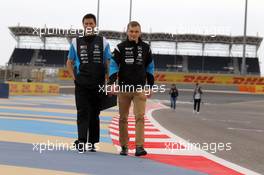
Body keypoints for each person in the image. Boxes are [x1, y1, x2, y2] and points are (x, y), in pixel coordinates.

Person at [66, 13, 112, 153]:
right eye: (86, 23)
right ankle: (81, 141)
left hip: (98, 83)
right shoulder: (75, 42)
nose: (89, 26)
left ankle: (92, 143)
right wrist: (74, 78)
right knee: (82, 112)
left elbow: (108, 62)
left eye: (91, 23)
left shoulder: (103, 41)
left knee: (94, 113)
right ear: (83, 25)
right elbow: (69, 62)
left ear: (95, 25)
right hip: (81, 84)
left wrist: (108, 80)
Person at [108, 21, 154, 156]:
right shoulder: (119, 47)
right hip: (123, 89)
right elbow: (113, 66)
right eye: (131, 31)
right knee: (123, 118)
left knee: (140, 117)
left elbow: (150, 67)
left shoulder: (146, 48)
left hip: (139, 89)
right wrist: (111, 83)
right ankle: (124, 146)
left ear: (140, 33)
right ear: (127, 32)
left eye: (136, 31)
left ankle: (139, 147)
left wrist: (150, 86)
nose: (133, 34)